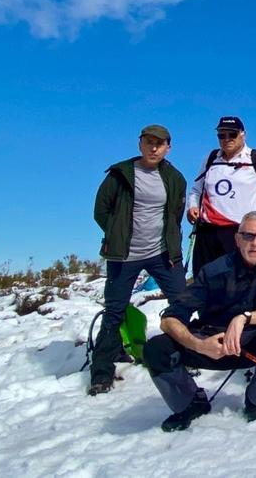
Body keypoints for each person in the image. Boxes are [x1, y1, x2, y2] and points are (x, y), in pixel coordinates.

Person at [143, 211, 256, 431]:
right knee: (155, 349)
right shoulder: (213, 271)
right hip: (213, 344)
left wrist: (243, 318)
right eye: (248, 236)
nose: (255, 243)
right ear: (237, 239)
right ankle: (189, 403)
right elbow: (170, 319)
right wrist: (199, 345)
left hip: (253, 346)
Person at [88, 124, 189, 396]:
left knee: (182, 301)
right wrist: (117, 235)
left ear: (168, 147)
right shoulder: (120, 174)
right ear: (140, 144)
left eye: (160, 143)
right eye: (149, 142)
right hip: (124, 255)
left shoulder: (175, 178)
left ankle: (185, 355)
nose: (154, 147)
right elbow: (101, 210)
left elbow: (175, 213)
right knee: (114, 310)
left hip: (163, 253)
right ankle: (101, 372)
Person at [187, 116, 256, 276]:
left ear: (243, 134)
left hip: (239, 231)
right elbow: (196, 190)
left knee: (238, 280)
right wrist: (192, 206)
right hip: (208, 231)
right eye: (222, 135)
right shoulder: (211, 158)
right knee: (204, 279)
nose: (227, 139)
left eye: (232, 135)